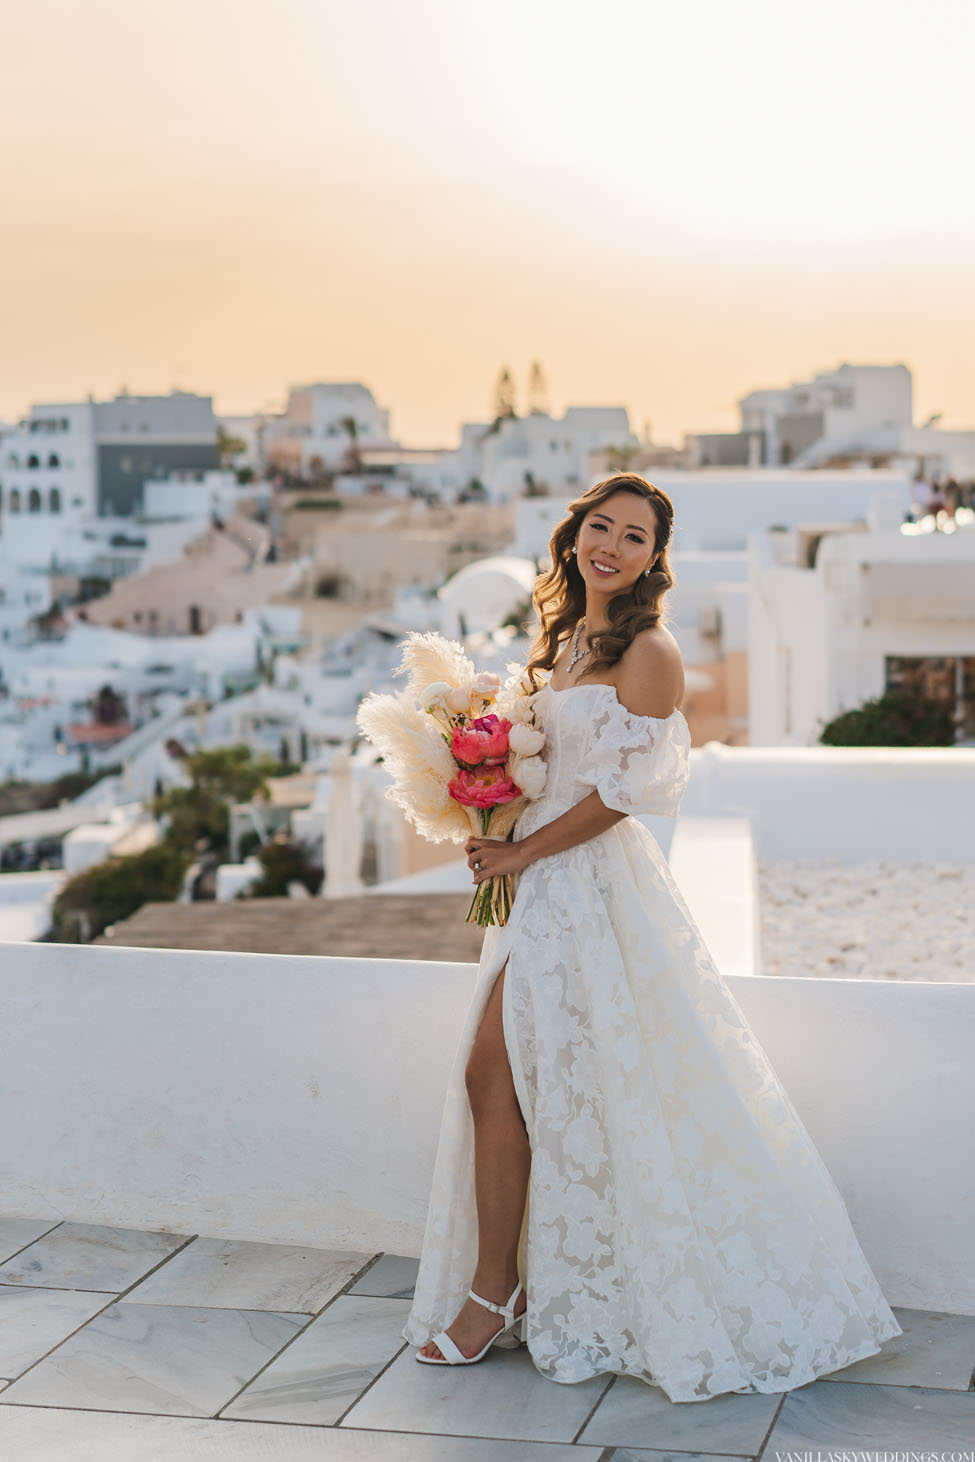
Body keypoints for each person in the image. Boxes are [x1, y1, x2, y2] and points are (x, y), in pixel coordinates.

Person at [406, 473, 902, 1402]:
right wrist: (490, 806)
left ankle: (501, 1294)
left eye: (634, 535)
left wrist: (524, 856)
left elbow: (624, 796)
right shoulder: (560, 641)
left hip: (590, 888)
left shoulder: (650, 653)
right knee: (504, 1077)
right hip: (533, 886)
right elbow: (543, 765)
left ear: (653, 557)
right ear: (575, 537)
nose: (612, 545)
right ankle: (512, 1286)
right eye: (600, 526)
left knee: (515, 1075)